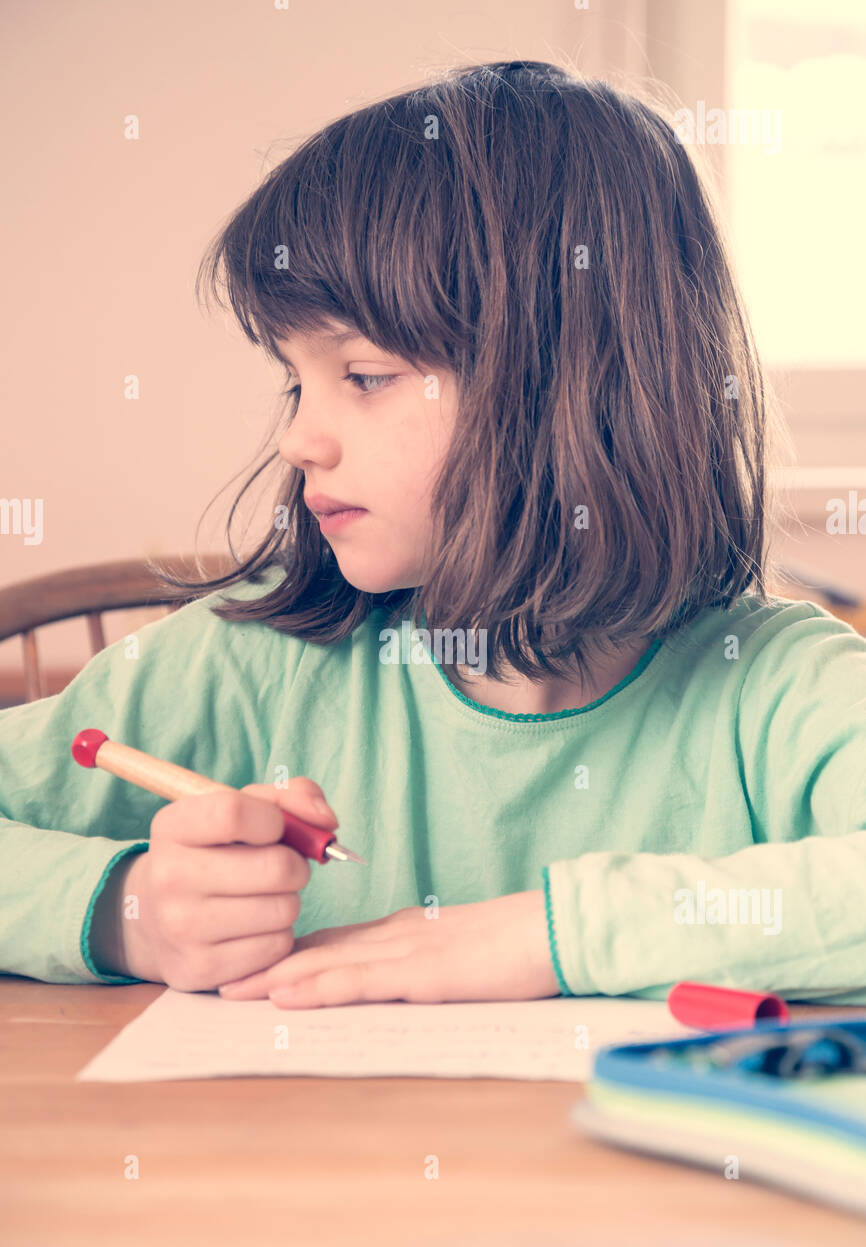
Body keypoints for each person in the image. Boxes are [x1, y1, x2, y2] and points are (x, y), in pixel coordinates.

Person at [1, 61, 864, 1010]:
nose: (298, 440)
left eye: (364, 375)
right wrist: (127, 911)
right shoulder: (248, 664)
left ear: (572, 383)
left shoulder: (776, 685)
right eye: (296, 382)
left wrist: (548, 938)